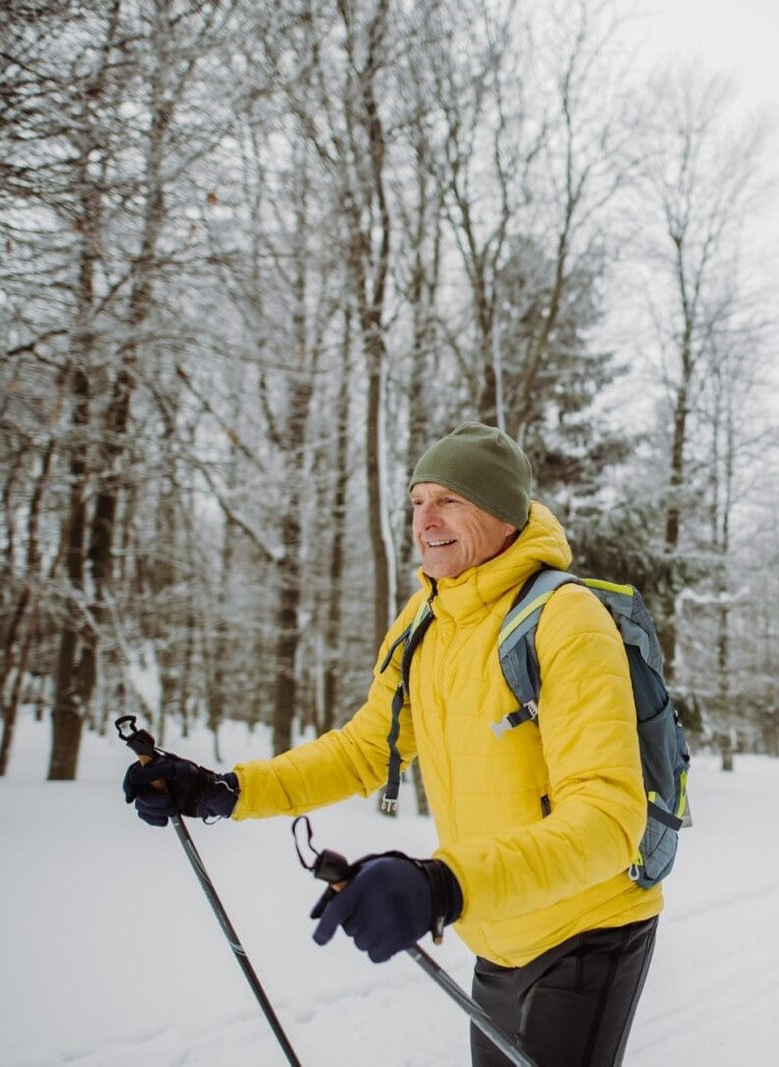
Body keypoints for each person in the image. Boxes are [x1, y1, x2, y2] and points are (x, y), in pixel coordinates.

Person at [122, 421, 660, 1067]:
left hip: (587, 929)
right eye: (416, 500)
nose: (426, 519)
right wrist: (224, 790)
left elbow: (609, 818)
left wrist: (442, 884)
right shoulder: (424, 619)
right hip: (494, 924)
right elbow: (362, 750)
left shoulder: (567, 619)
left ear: (502, 513)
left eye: (450, 500)